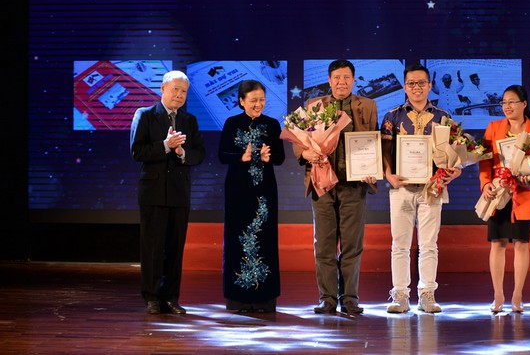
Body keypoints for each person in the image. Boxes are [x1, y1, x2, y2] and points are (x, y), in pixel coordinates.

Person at [294, 59, 378, 315]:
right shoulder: (314, 105)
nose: (342, 82)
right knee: (324, 245)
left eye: (346, 77)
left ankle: (350, 298)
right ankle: (327, 298)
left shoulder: (367, 105)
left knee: (352, 244)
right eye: (337, 78)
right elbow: (298, 138)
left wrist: (373, 168)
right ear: (329, 81)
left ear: (354, 80)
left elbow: (373, 139)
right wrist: (304, 154)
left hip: (354, 184)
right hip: (322, 183)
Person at [381, 63, 462, 314]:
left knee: (429, 244)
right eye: (411, 83)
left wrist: (455, 170)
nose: (416, 87)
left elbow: (454, 152)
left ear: (429, 85)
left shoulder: (443, 117)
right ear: (405, 87)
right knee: (400, 244)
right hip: (401, 187)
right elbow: (384, 150)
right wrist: (388, 174)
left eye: (421, 83)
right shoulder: (392, 116)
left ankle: (427, 294)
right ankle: (400, 295)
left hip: (432, 186)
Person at [130, 70, 206, 315]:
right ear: (163, 89)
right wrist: (165, 145)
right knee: (153, 246)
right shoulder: (145, 115)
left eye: (184, 91)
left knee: (175, 246)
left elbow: (199, 153)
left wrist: (182, 153)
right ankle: (152, 297)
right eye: (175, 89)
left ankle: (171, 297)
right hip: (153, 191)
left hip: (179, 192)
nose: (179, 95)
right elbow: (137, 152)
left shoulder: (189, 120)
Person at [218, 80, 286, 313]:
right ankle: (238, 298)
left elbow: (280, 157)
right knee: (236, 239)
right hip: (237, 190)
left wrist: (268, 158)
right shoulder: (231, 123)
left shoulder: (272, 124)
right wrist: (242, 156)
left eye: (262, 100)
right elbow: (222, 155)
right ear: (241, 101)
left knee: (265, 238)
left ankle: (264, 299)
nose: (259, 104)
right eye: (253, 100)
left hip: (264, 190)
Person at [478, 84, 530, 314]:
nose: (507, 106)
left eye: (512, 102)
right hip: (498, 193)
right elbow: (485, 161)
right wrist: (486, 183)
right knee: (497, 243)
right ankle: (498, 295)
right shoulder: (493, 127)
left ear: (524, 104)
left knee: (521, 243)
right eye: (504, 102)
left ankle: (517, 295)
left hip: (523, 194)